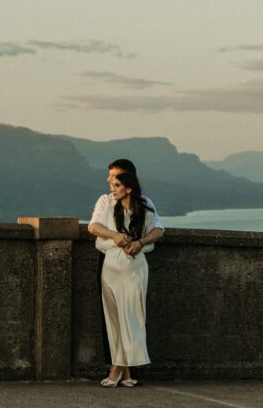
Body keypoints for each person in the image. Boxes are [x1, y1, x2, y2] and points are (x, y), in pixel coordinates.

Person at [88, 160, 165, 376]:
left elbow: (158, 229)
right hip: (110, 261)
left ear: (129, 181)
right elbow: (94, 226)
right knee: (112, 317)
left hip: (134, 265)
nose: (109, 180)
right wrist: (116, 237)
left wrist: (139, 243)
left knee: (131, 316)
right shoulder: (105, 201)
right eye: (110, 177)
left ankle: (121, 369)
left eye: (114, 177)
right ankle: (120, 368)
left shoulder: (145, 203)